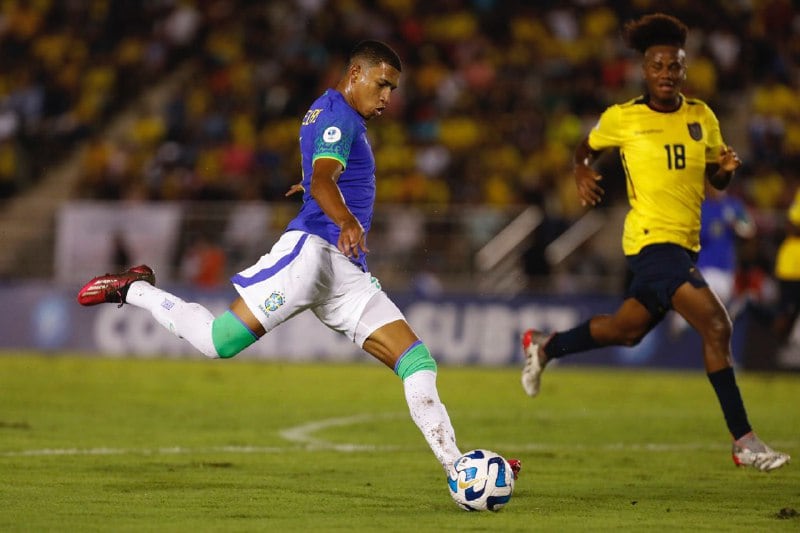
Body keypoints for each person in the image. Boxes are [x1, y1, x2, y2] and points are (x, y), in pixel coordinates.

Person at [77, 40, 519, 481]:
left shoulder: (331, 114)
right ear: (355, 75)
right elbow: (326, 177)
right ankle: (134, 288)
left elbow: (321, 174)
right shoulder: (338, 117)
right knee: (217, 342)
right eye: (382, 84)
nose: (387, 97)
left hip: (345, 273)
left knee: (417, 362)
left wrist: (312, 187)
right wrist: (342, 216)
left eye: (393, 89)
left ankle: (457, 468)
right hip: (312, 257)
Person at [520, 14, 789, 472]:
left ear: (685, 70)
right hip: (649, 241)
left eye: (675, 66)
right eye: (659, 66)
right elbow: (586, 146)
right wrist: (582, 169)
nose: (667, 74)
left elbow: (716, 181)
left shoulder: (701, 116)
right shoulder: (623, 118)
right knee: (718, 327)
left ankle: (545, 346)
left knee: (626, 331)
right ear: (645, 71)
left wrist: (725, 168)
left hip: (683, 245)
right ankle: (744, 441)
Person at [670, 183, 755, 336]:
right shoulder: (702, 208)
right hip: (705, 266)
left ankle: (686, 316)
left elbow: (749, 229)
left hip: (727, 267)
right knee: (712, 300)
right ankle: (686, 315)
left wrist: (737, 225)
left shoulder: (734, 205)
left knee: (719, 305)